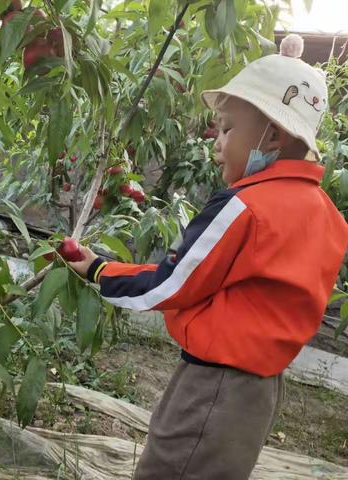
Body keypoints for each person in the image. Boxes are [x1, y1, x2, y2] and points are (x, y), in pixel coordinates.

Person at [68, 34, 348, 480]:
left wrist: (100, 269)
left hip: (213, 387)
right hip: (261, 390)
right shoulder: (329, 217)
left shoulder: (244, 206)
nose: (216, 142)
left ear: (272, 135)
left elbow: (173, 280)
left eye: (227, 127)